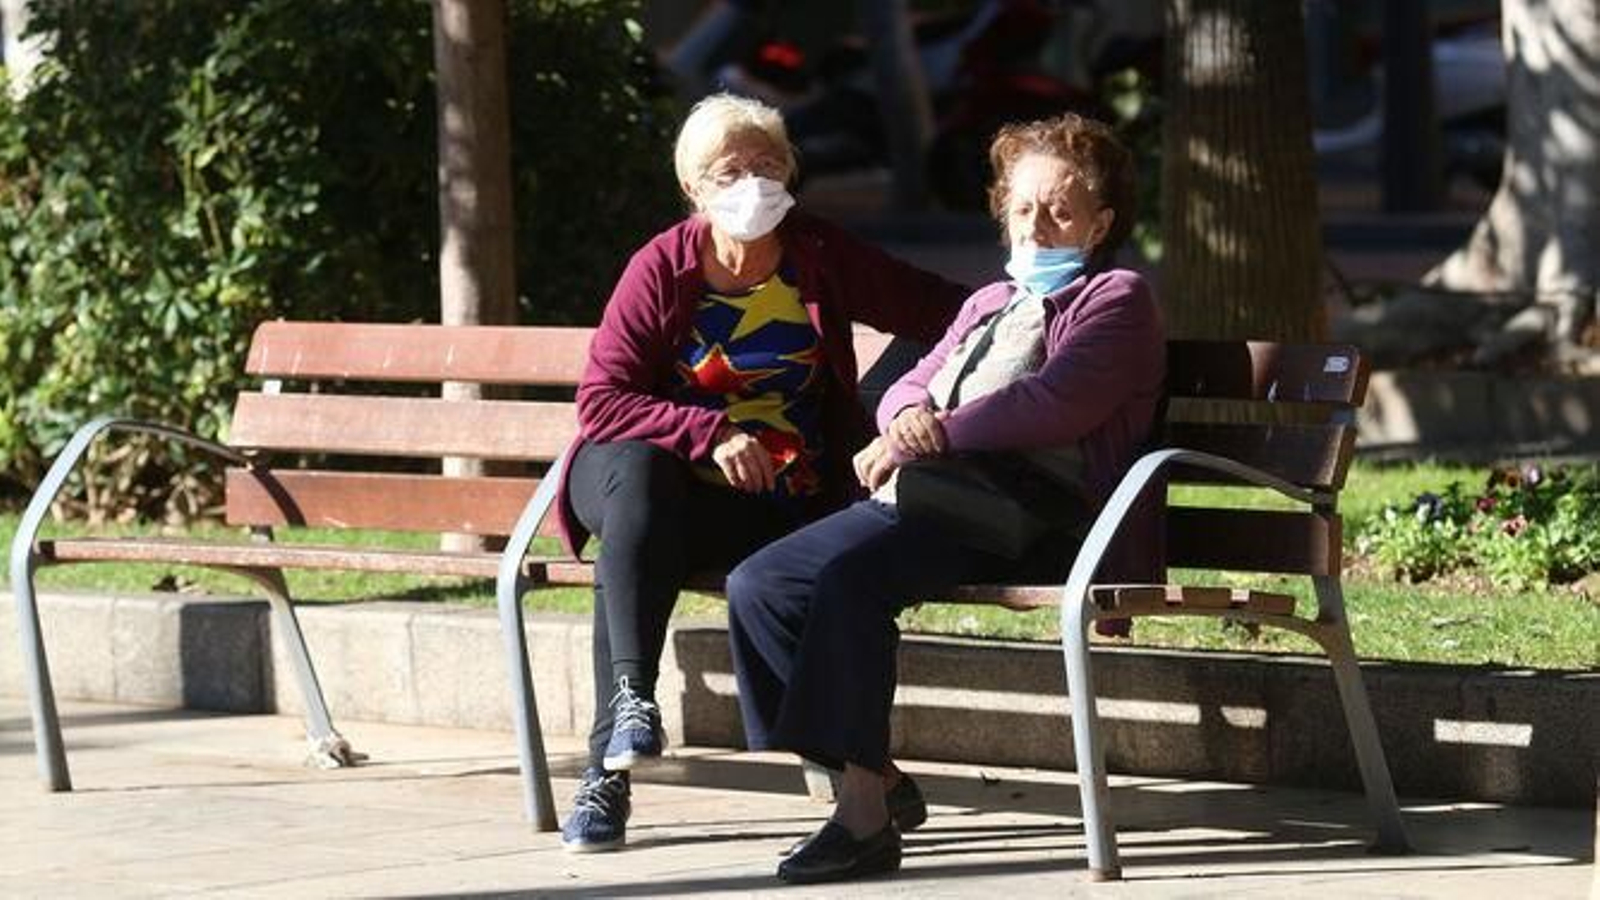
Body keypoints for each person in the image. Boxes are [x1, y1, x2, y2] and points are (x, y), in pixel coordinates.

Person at [724, 113, 1165, 885]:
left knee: (849, 584)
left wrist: (929, 434)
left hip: (1034, 515)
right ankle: (879, 779)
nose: (1039, 225)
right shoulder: (990, 300)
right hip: (933, 497)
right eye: (1023, 208)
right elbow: (909, 382)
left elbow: (1050, 404)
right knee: (760, 585)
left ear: (1101, 222)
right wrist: (903, 422)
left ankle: (862, 821)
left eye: (1062, 210)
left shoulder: (1117, 299)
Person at [555, 93, 969, 852]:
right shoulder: (663, 265)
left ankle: (864, 772)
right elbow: (602, 401)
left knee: (802, 572)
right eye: (730, 170)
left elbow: (941, 310)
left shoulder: (818, 251)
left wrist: (1038, 316)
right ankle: (614, 748)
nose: (754, 182)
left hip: (770, 495)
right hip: (640, 479)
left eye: (769, 163)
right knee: (643, 505)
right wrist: (708, 432)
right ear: (695, 189)